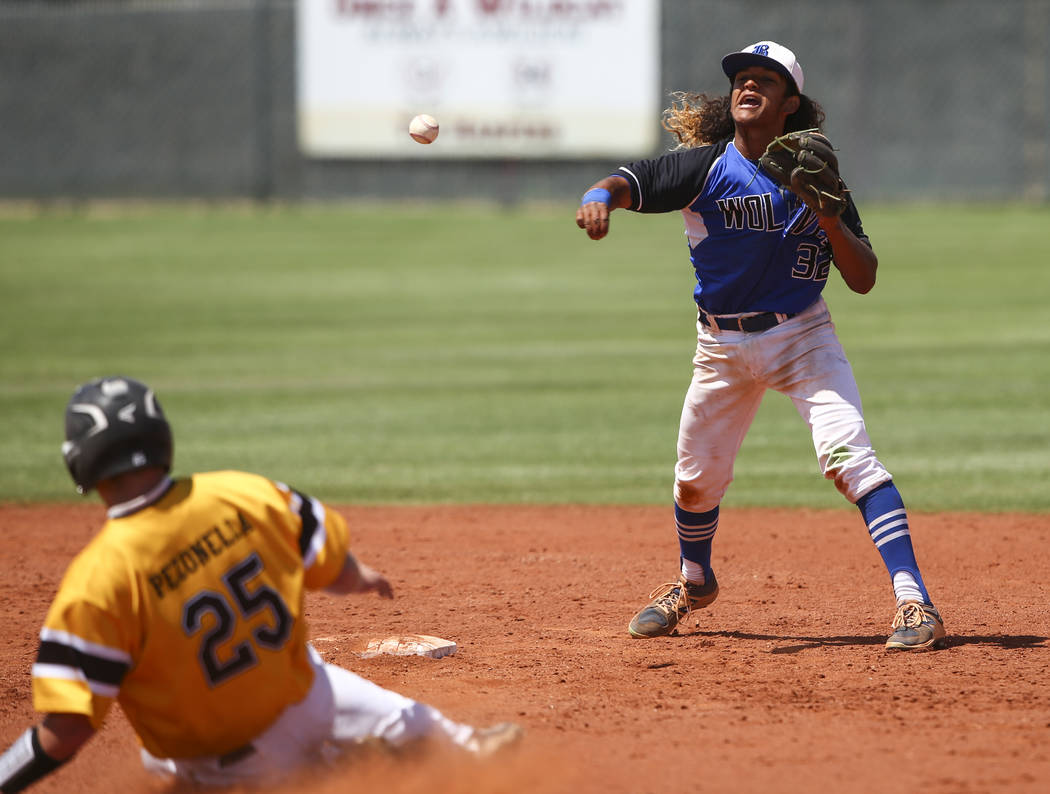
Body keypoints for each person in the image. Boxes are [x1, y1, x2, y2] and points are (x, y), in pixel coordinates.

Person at [575, 41, 945, 651]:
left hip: (803, 335)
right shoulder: (704, 167)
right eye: (741, 79)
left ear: (789, 102)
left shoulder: (821, 175)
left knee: (849, 458)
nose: (748, 87)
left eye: (764, 82)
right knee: (695, 479)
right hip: (719, 345)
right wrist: (598, 198)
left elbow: (863, 276)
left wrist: (828, 216)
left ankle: (914, 602)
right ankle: (694, 583)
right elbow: (628, 180)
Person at [0, 376, 522, 793]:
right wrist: (358, 576)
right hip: (310, 696)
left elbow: (65, 732)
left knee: (160, 758)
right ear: (162, 437)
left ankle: (331, 774)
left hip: (228, 763)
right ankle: (459, 750)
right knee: (402, 720)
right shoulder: (243, 494)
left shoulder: (97, 581)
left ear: (81, 462)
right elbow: (334, 566)